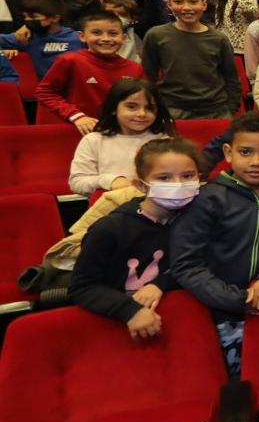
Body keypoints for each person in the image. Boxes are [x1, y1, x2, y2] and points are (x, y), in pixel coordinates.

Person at [171, 111, 259, 375]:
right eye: (245, 152)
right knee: (237, 382)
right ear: (228, 152)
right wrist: (240, 300)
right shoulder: (206, 198)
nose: (256, 162)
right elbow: (186, 265)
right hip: (220, 311)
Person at [69, 138, 202, 340]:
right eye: (164, 178)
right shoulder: (110, 229)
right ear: (141, 185)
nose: (178, 185)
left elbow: (198, 262)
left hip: (177, 318)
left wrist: (160, 284)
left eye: (187, 176)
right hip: (118, 322)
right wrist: (129, 310)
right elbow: (82, 287)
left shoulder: (198, 217)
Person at [141, 0, 241, 119]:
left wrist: (230, 109)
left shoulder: (219, 39)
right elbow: (149, 77)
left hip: (215, 110)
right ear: (169, 5)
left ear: (204, 5)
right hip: (173, 109)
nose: (186, 7)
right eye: (178, 2)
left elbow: (232, 79)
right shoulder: (156, 35)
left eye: (193, 2)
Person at [35, 12, 144, 133]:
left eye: (113, 33)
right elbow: (45, 92)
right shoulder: (70, 60)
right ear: (82, 36)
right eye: (96, 33)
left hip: (119, 133)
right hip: (79, 131)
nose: (105, 39)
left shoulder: (135, 68)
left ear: (123, 38)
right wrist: (76, 116)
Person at [68, 78, 175, 197]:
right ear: (114, 108)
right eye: (131, 107)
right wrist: (110, 181)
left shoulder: (164, 141)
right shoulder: (94, 140)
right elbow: (77, 182)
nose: (141, 114)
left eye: (149, 108)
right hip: (110, 208)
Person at [1, 0, 83, 80]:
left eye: (33, 17)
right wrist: (3, 51)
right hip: (47, 91)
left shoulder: (78, 38)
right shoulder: (27, 37)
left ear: (55, 18)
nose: (27, 20)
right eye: (25, 16)